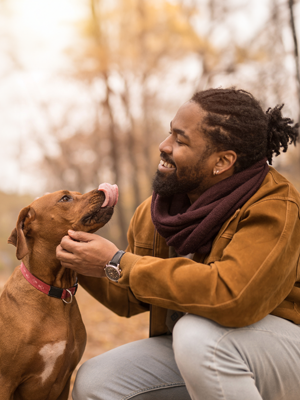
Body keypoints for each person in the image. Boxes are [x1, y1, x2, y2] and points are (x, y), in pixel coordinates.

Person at [56, 88, 300, 400]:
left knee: (197, 335)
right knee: (98, 381)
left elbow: (233, 296)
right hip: (204, 351)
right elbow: (130, 297)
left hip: (280, 349)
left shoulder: (274, 204)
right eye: (169, 132)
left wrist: (117, 262)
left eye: (180, 140)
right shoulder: (159, 212)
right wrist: (79, 257)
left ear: (222, 161)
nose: (164, 146)